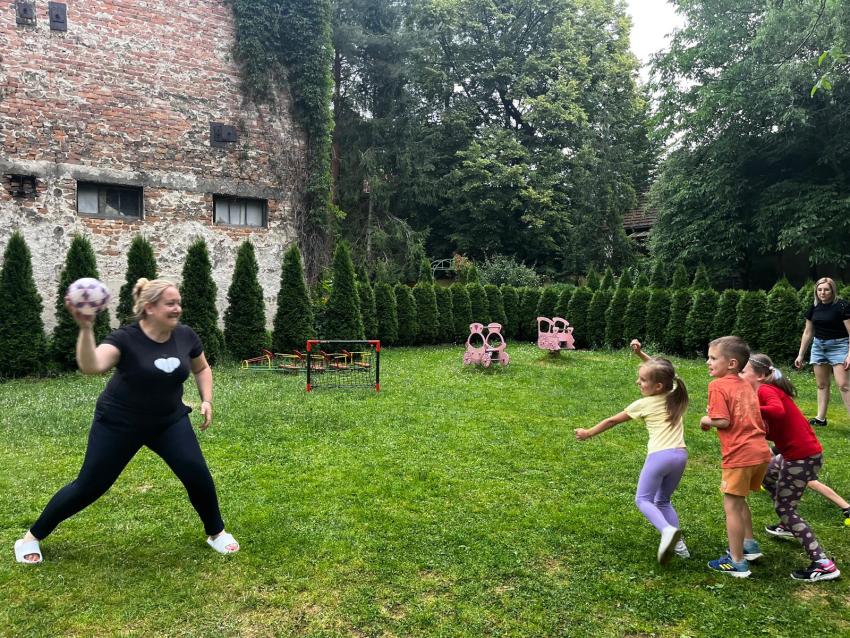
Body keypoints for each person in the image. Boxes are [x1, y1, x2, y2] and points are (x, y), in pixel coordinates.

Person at [14, 278, 239, 564]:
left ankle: (216, 533)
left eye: (178, 303)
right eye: (170, 303)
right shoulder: (125, 338)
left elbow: (202, 367)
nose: (177, 308)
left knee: (196, 474)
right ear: (149, 308)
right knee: (89, 486)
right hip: (119, 423)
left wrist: (206, 399)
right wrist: (85, 328)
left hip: (168, 421)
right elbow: (92, 366)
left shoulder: (185, 336)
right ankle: (30, 538)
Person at [575, 339, 690, 564]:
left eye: (643, 380)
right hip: (680, 455)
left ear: (658, 386)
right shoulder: (674, 393)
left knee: (643, 499)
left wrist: (588, 433)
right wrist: (641, 355)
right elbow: (664, 372)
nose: (638, 382)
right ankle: (680, 547)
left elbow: (611, 421)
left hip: (660, 456)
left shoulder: (643, 404)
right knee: (663, 500)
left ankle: (667, 531)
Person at [741, 353, 840, 581]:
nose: (739, 375)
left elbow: (777, 411)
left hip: (801, 458)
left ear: (760, 375)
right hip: (795, 454)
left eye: (743, 372)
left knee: (784, 508)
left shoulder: (765, 390)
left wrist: (750, 408)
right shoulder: (763, 390)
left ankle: (823, 564)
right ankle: (788, 525)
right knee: (767, 474)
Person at [700, 336, 772, 578]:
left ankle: (737, 561)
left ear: (731, 363)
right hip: (761, 452)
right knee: (740, 501)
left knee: (731, 506)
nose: (708, 362)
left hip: (739, 455)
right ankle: (749, 545)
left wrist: (705, 420)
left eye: (713, 358)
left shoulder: (717, 386)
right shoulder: (746, 384)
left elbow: (723, 421)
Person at [794, 277, 850, 427]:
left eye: (826, 289)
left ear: (833, 290)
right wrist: (800, 354)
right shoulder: (814, 308)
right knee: (822, 384)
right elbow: (808, 332)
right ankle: (820, 419)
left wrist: (849, 355)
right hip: (819, 347)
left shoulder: (842, 306)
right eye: (819, 289)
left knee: (844, 385)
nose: (822, 293)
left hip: (840, 347)